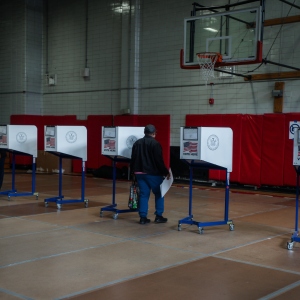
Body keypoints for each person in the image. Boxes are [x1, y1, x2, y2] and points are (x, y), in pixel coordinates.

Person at [130, 124, 170, 224]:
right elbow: (158, 161)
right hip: (153, 173)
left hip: (139, 173)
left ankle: (143, 217)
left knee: (144, 194)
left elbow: (133, 159)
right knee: (159, 193)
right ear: (153, 133)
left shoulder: (137, 143)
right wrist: (165, 172)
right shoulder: (155, 144)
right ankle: (158, 216)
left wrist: (133, 172)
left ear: (144, 132)